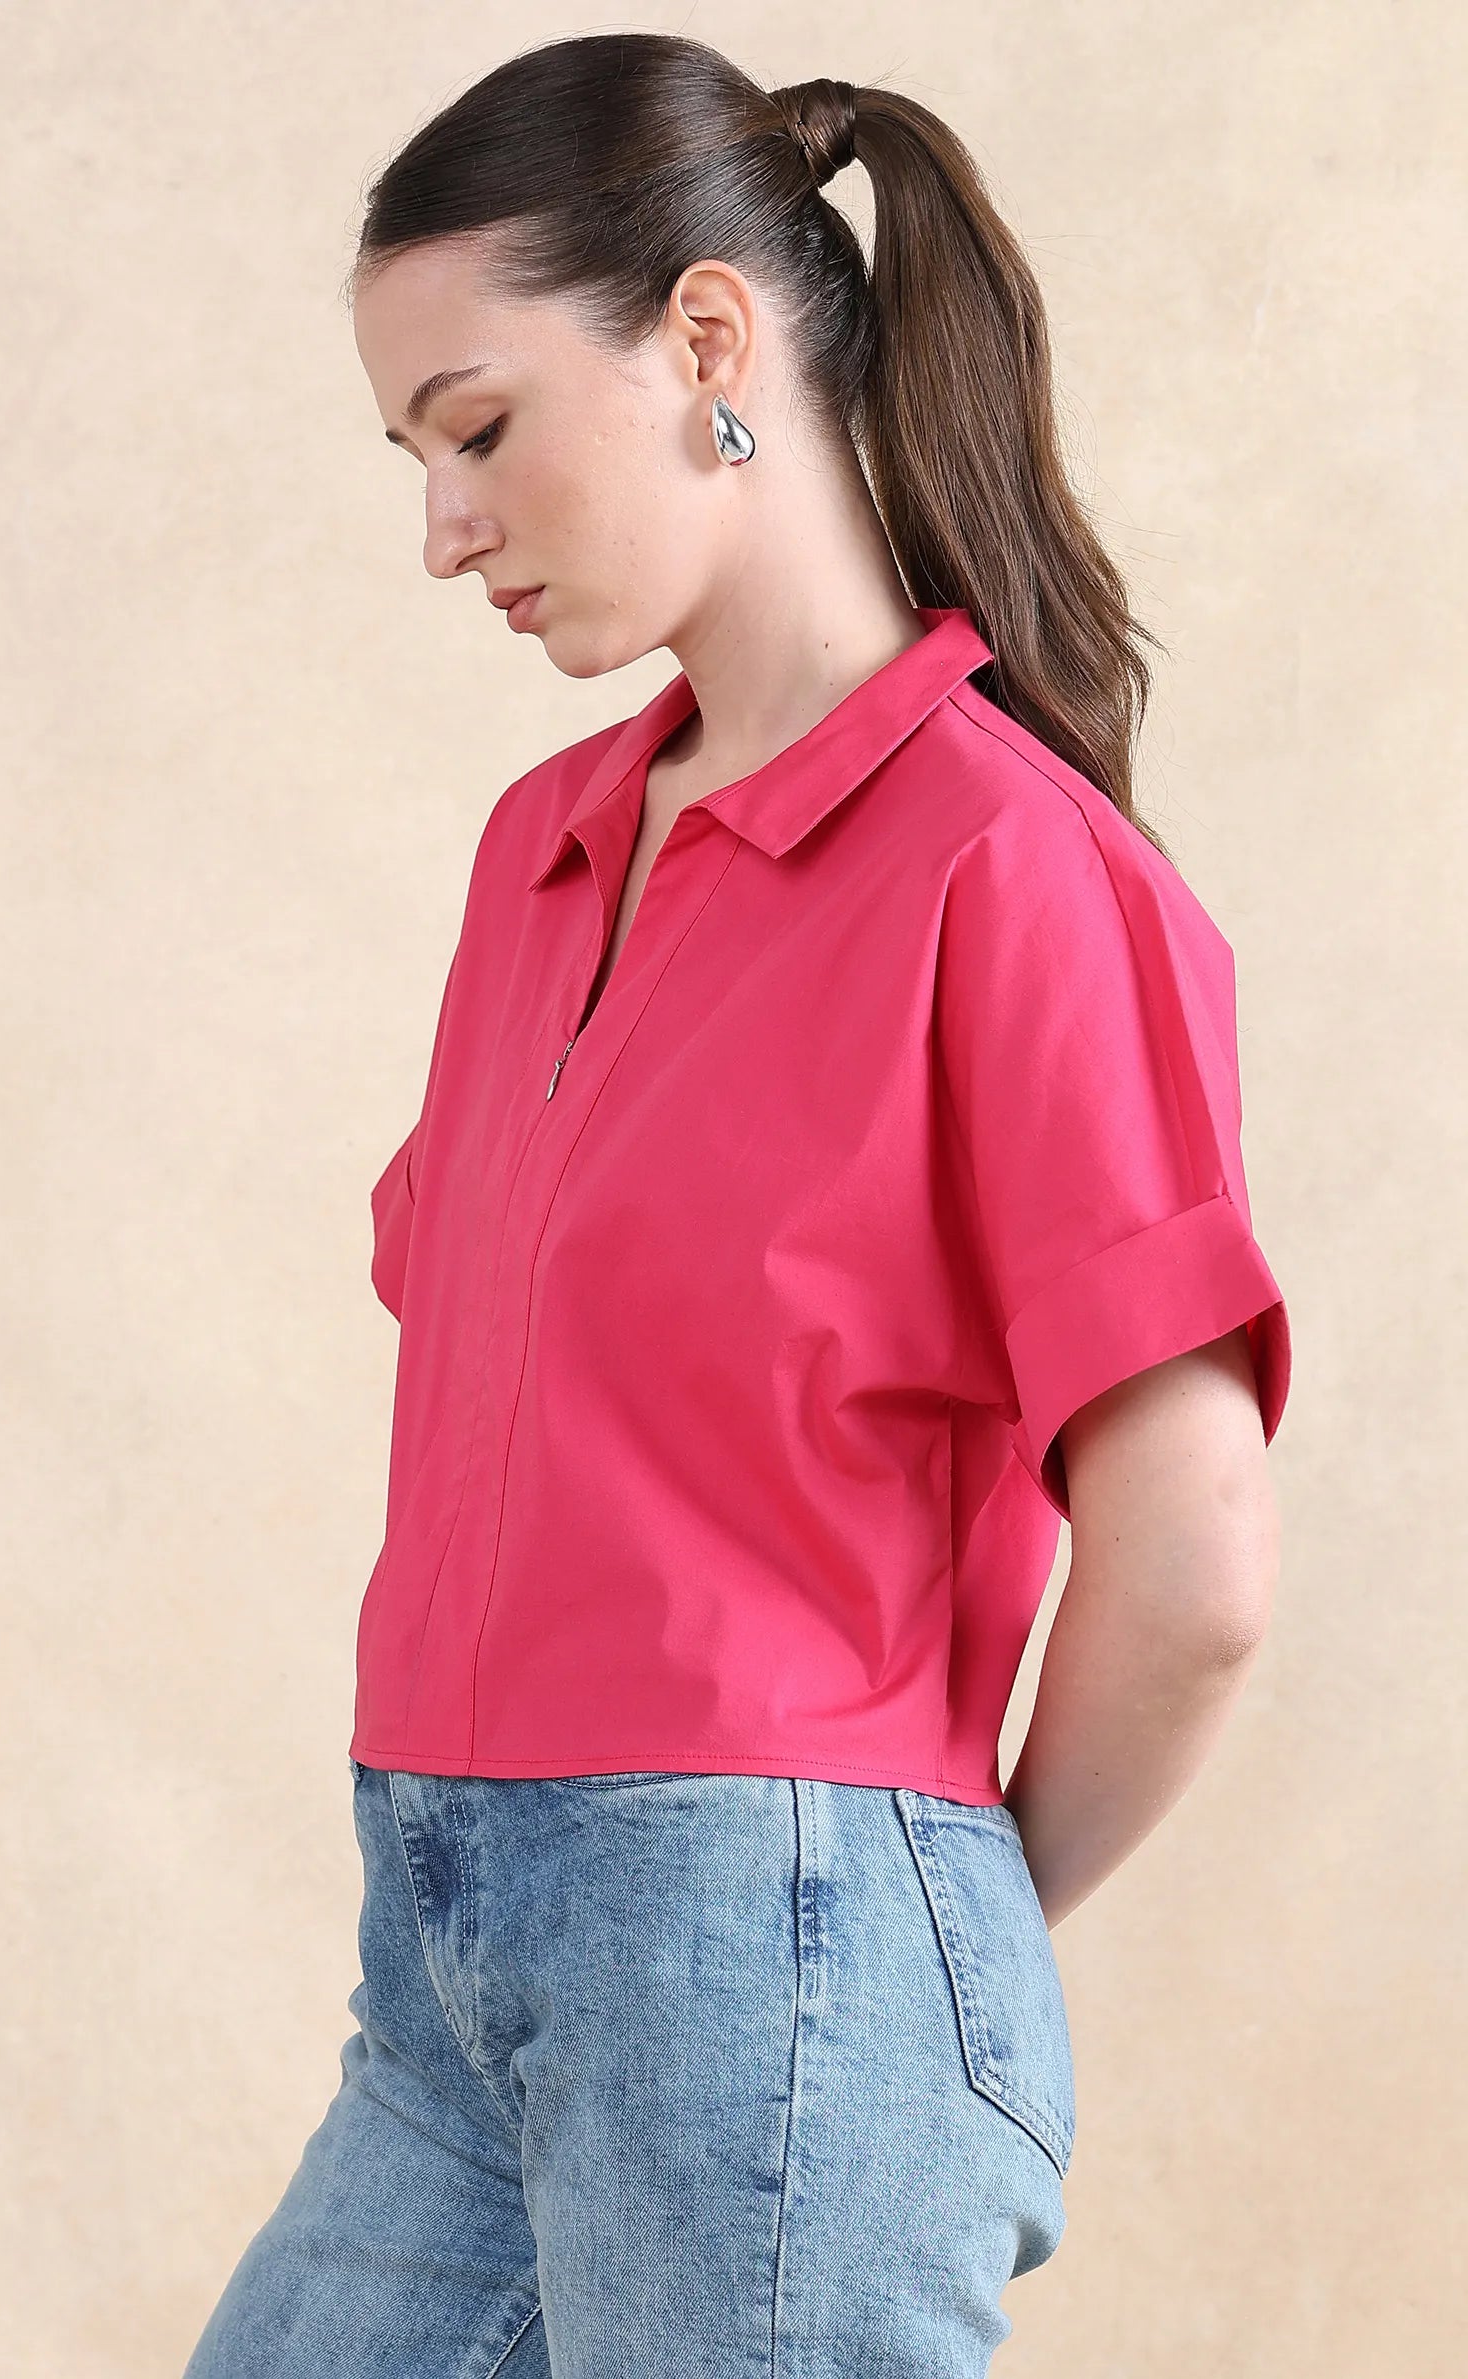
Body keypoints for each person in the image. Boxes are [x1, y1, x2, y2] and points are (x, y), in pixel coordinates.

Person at [182, 31, 1291, 2379]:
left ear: (708, 338)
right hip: (444, 1944)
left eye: (480, 427)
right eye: (413, 459)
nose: (444, 529)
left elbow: (1194, 1563)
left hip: (767, 1942)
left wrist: (902, 1915)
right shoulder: (545, 852)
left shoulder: (1012, 869)